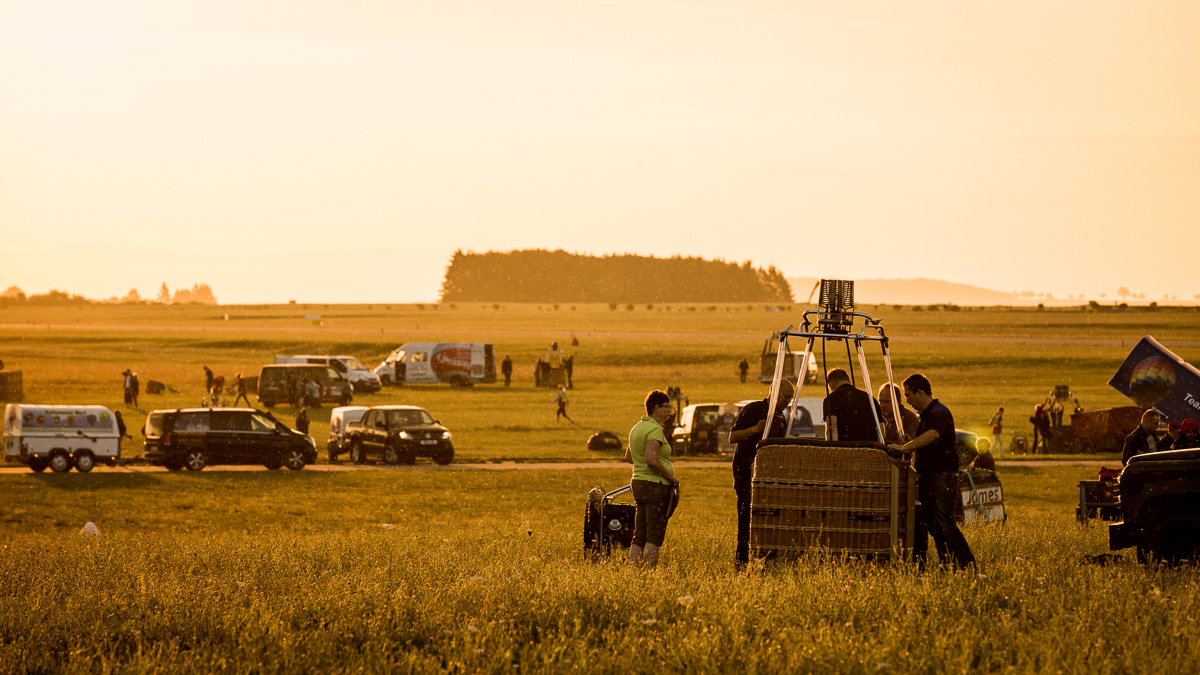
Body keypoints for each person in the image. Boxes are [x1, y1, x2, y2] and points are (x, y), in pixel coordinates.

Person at [887, 374, 975, 570]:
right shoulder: (927, 414)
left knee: (944, 522)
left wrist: (905, 448)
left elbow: (933, 435)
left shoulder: (938, 413)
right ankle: (947, 564)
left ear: (920, 392)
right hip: (929, 477)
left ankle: (968, 564)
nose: (907, 400)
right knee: (935, 526)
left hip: (942, 476)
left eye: (909, 395)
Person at [728, 379, 795, 567]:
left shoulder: (782, 417)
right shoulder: (753, 409)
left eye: (791, 397)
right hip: (746, 473)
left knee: (767, 518)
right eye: (785, 397)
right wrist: (754, 429)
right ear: (773, 392)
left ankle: (765, 558)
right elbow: (733, 437)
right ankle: (741, 561)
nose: (788, 401)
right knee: (745, 517)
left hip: (768, 476)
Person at [623, 389, 679, 567]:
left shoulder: (637, 428)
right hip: (655, 485)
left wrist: (641, 468)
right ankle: (648, 571)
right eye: (666, 407)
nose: (669, 411)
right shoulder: (654, 429)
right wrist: (671, 477)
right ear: (655, 408)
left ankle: (634, 570)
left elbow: (628, 457)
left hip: (638, 483)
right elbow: (651, 459)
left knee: (640, 532)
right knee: (654, 533)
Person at [823, 368, 884, 442]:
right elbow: (880, 429)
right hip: (870, 449)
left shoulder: (831, 399)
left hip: (847, 450)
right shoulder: (869, 398)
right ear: (849, 381)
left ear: (831, 385)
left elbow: (831, 429)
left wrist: (832, 450)